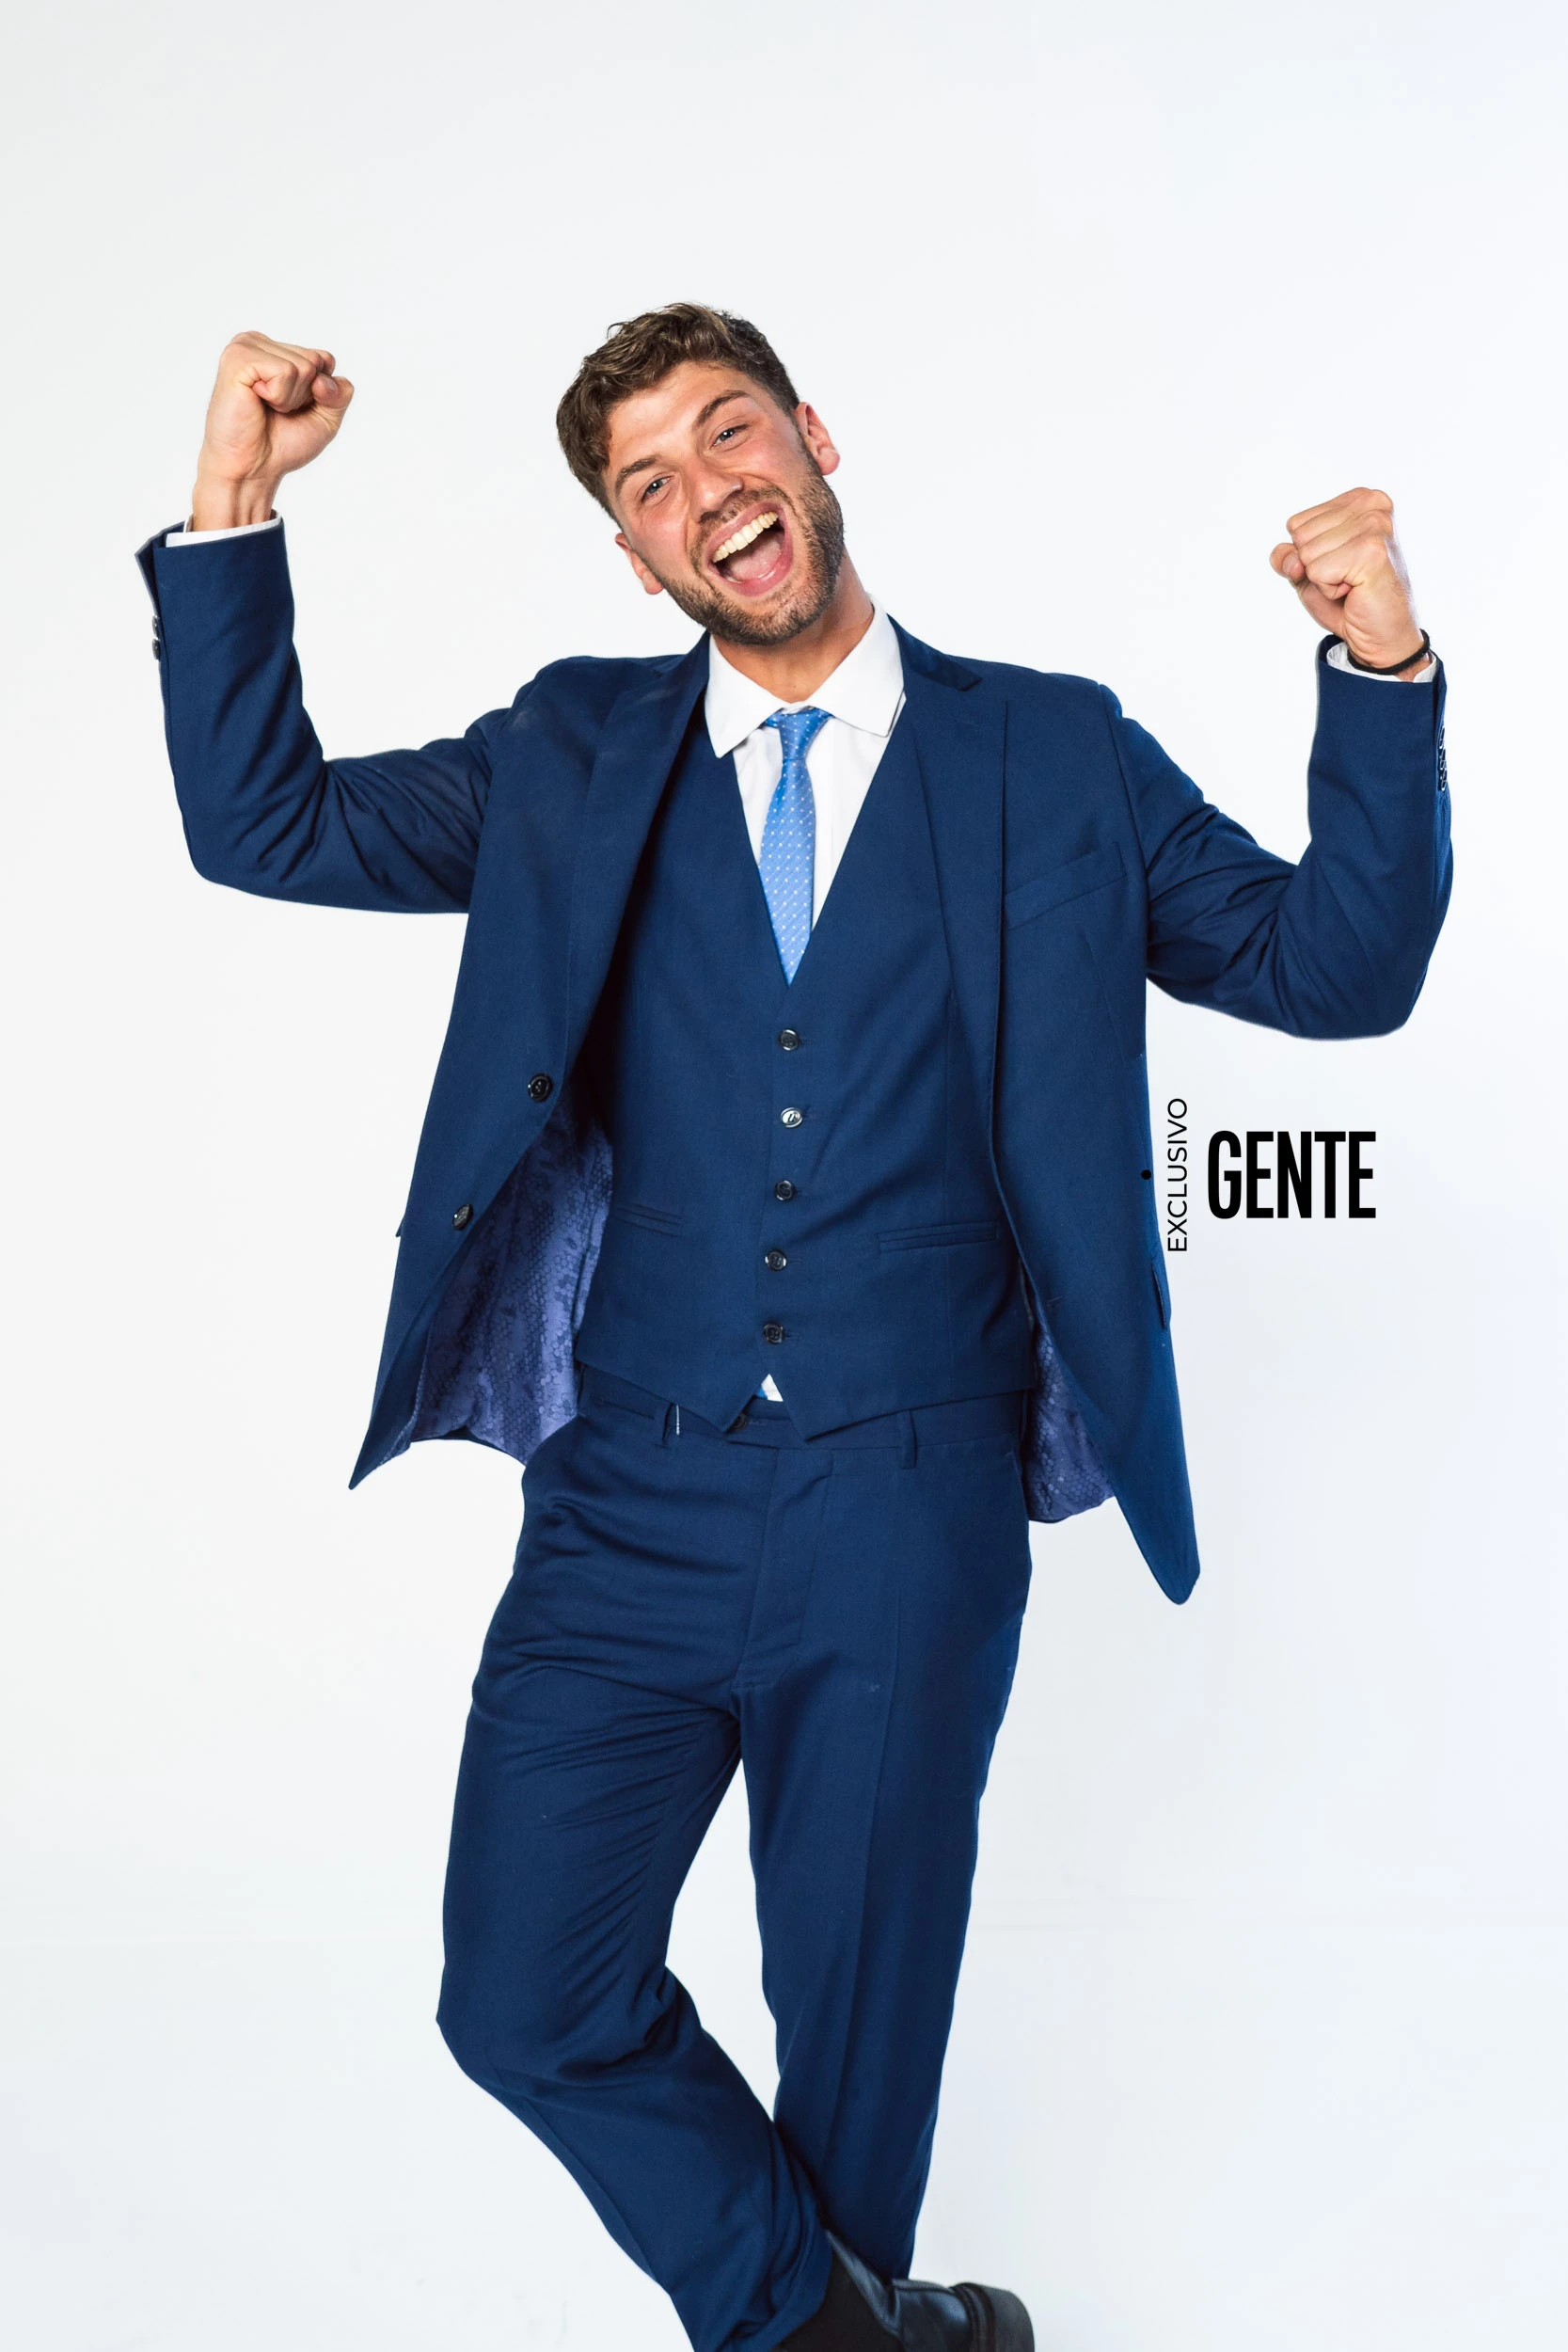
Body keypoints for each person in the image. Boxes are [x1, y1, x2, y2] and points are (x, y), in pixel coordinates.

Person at [137, 304, 1450, 2352]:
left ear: (813, 440)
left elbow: (1332, 968)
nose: (706, 491)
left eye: (727, 432)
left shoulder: (1050, 755)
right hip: (623, 1507)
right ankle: (885, 2340)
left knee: (856, 2056)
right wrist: (233, 496)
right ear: (633, 555)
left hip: (909, 1504)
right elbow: (264, 823)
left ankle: (848, 2314)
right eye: (648, 482)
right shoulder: (568, 754)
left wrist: (1378, 665)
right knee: (522, 1991)